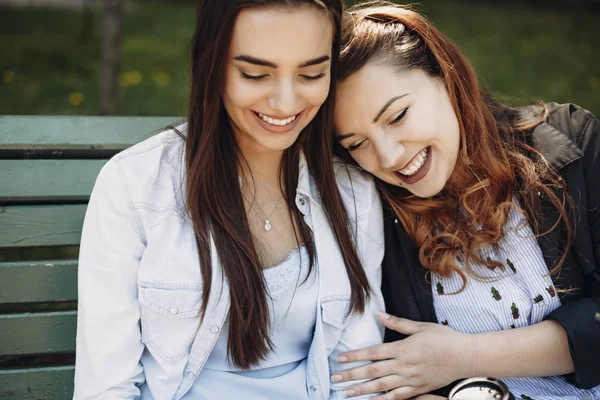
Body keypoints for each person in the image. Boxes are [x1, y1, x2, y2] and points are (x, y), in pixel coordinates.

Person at [73, 0, 386, 398]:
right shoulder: (135, 186)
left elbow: (356, 377)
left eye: (312, 74)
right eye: (255, 74)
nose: (286, 102)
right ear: (212, 63)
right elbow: (107, 387)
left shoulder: (352, 194)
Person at [331, 2, 600, 400]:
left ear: (446, 75)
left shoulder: (572, 144)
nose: (388, 158)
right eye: (358, 144)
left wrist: (465, 356)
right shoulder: (369, 219)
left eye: (398, 116)